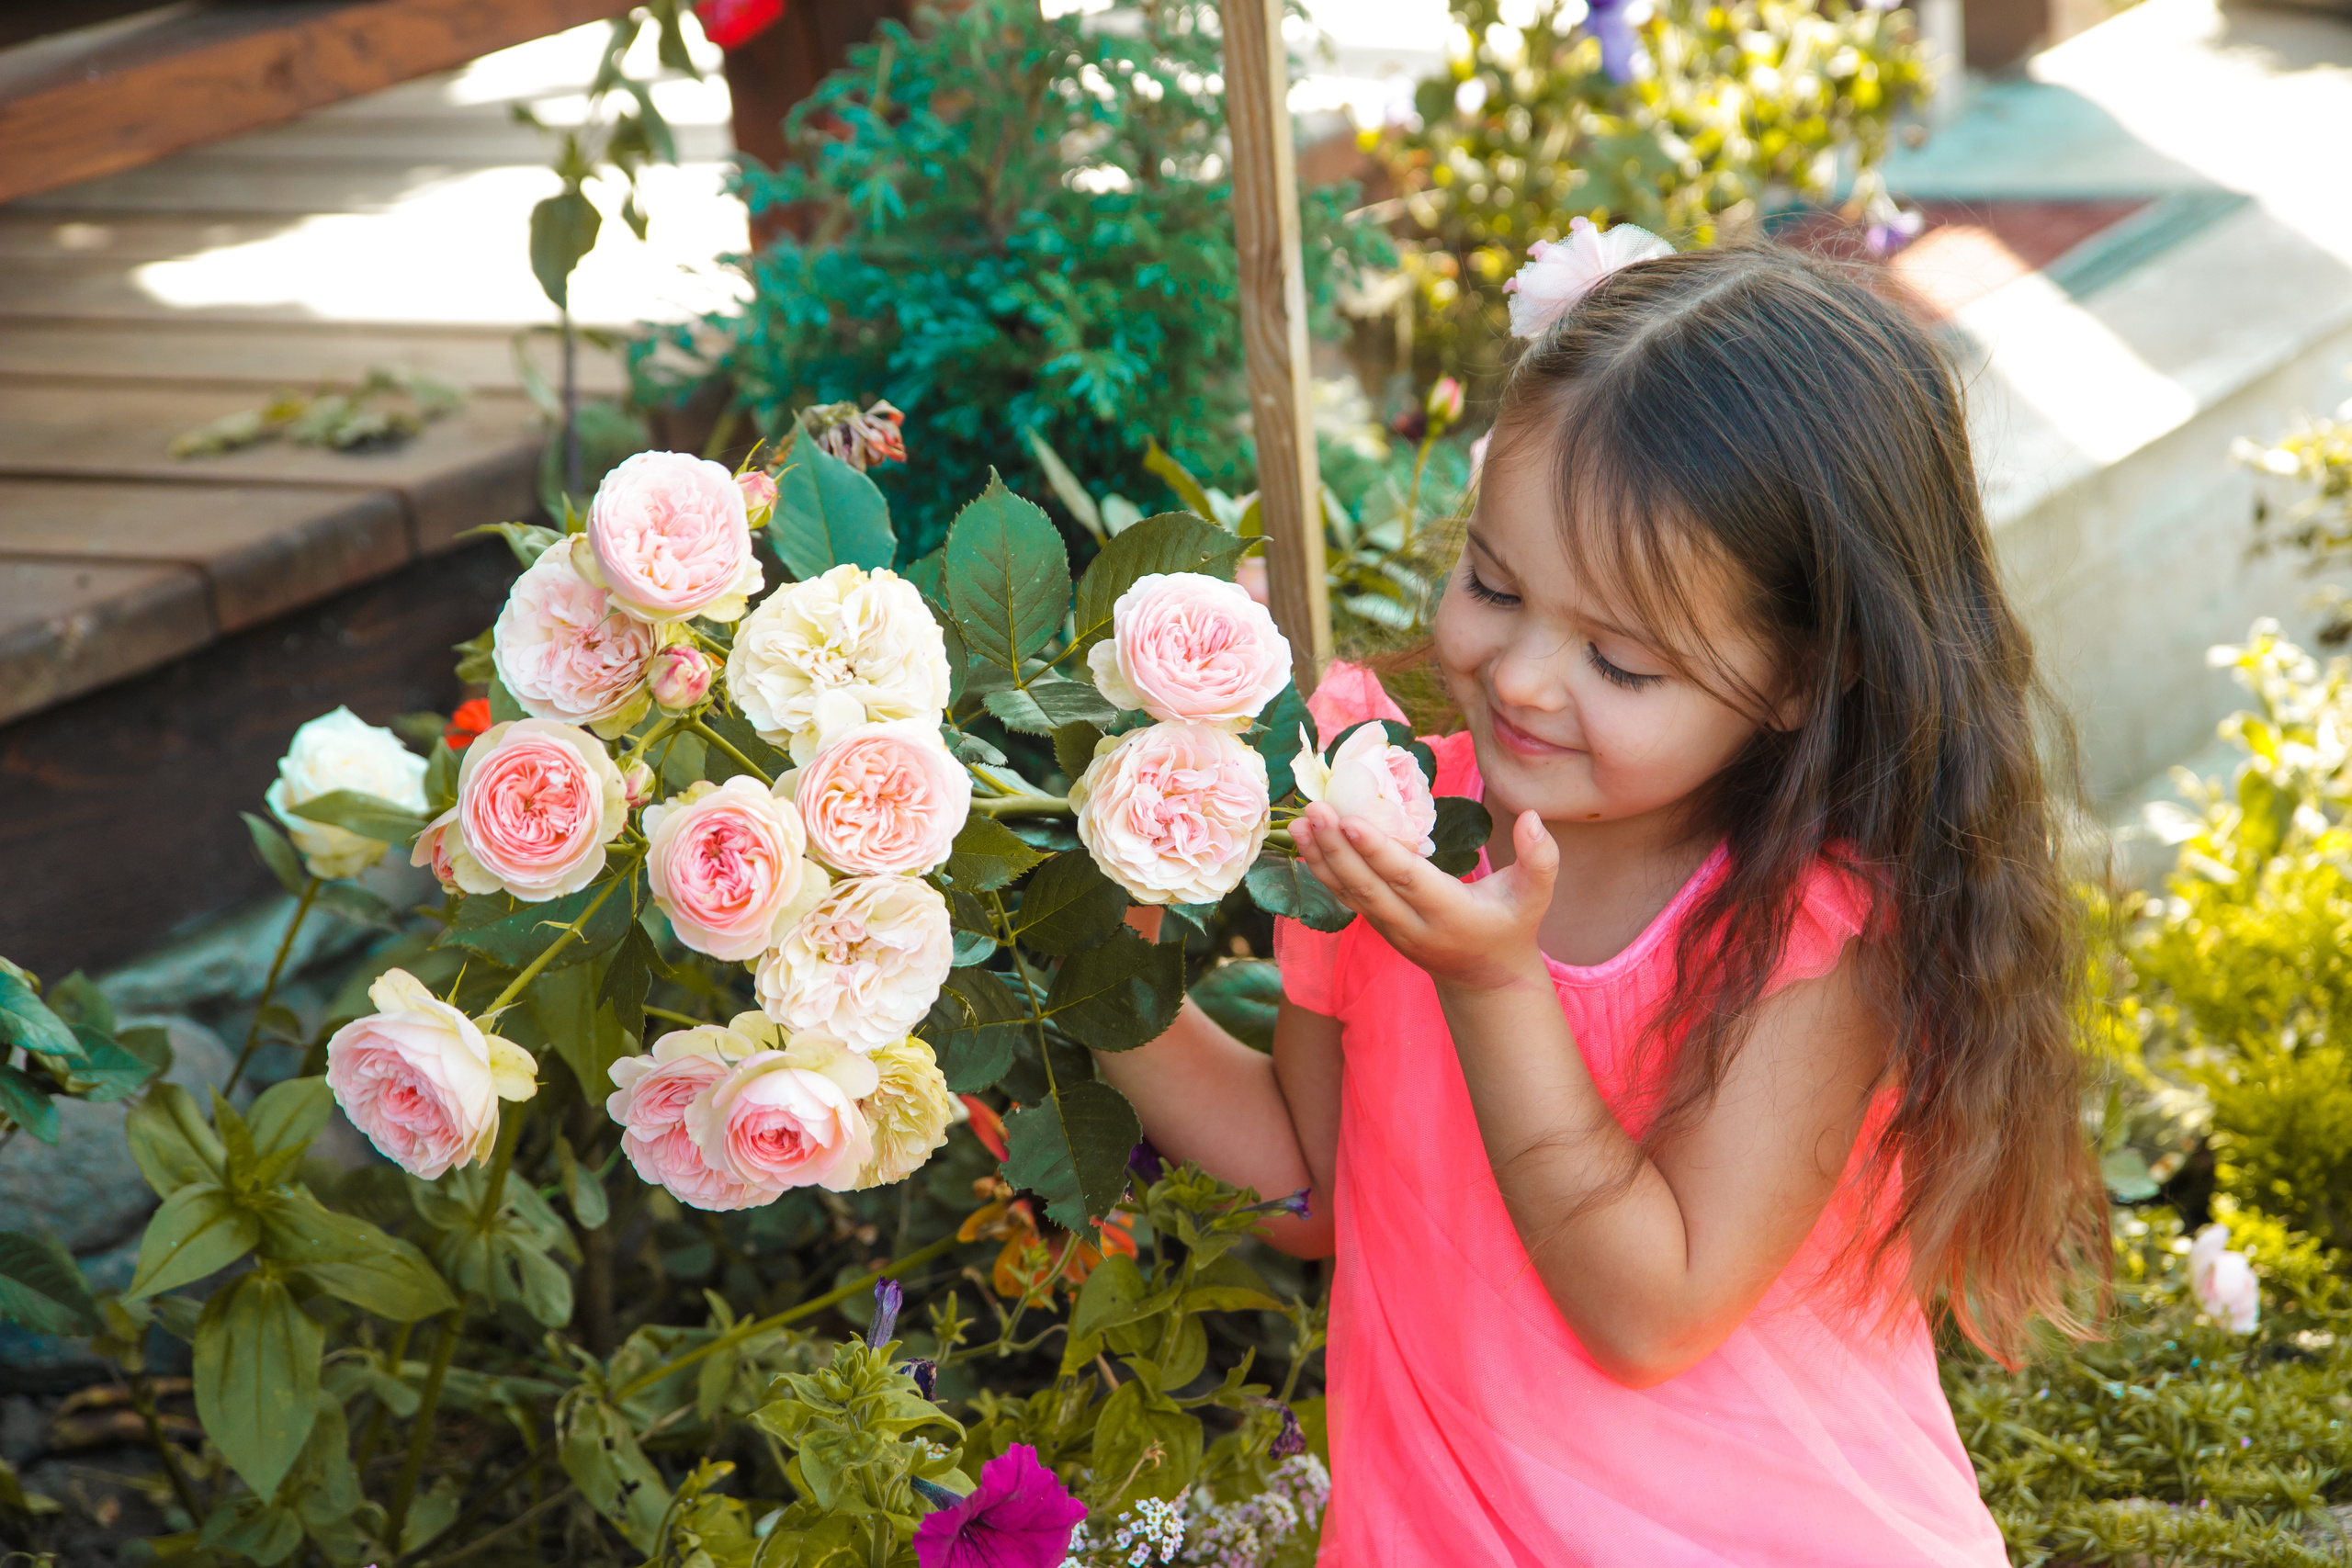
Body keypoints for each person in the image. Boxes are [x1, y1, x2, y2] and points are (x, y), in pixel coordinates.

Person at [1095, 225, 2107, 1565]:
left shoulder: (1812, 933)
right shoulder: (1389, 812)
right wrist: (1096, 966)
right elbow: (1310, 1189)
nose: (1519, 678)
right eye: (1492, 586)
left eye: (1620, 662)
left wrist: (1491, 983)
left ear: (1804, 673)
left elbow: (1651, 1311)